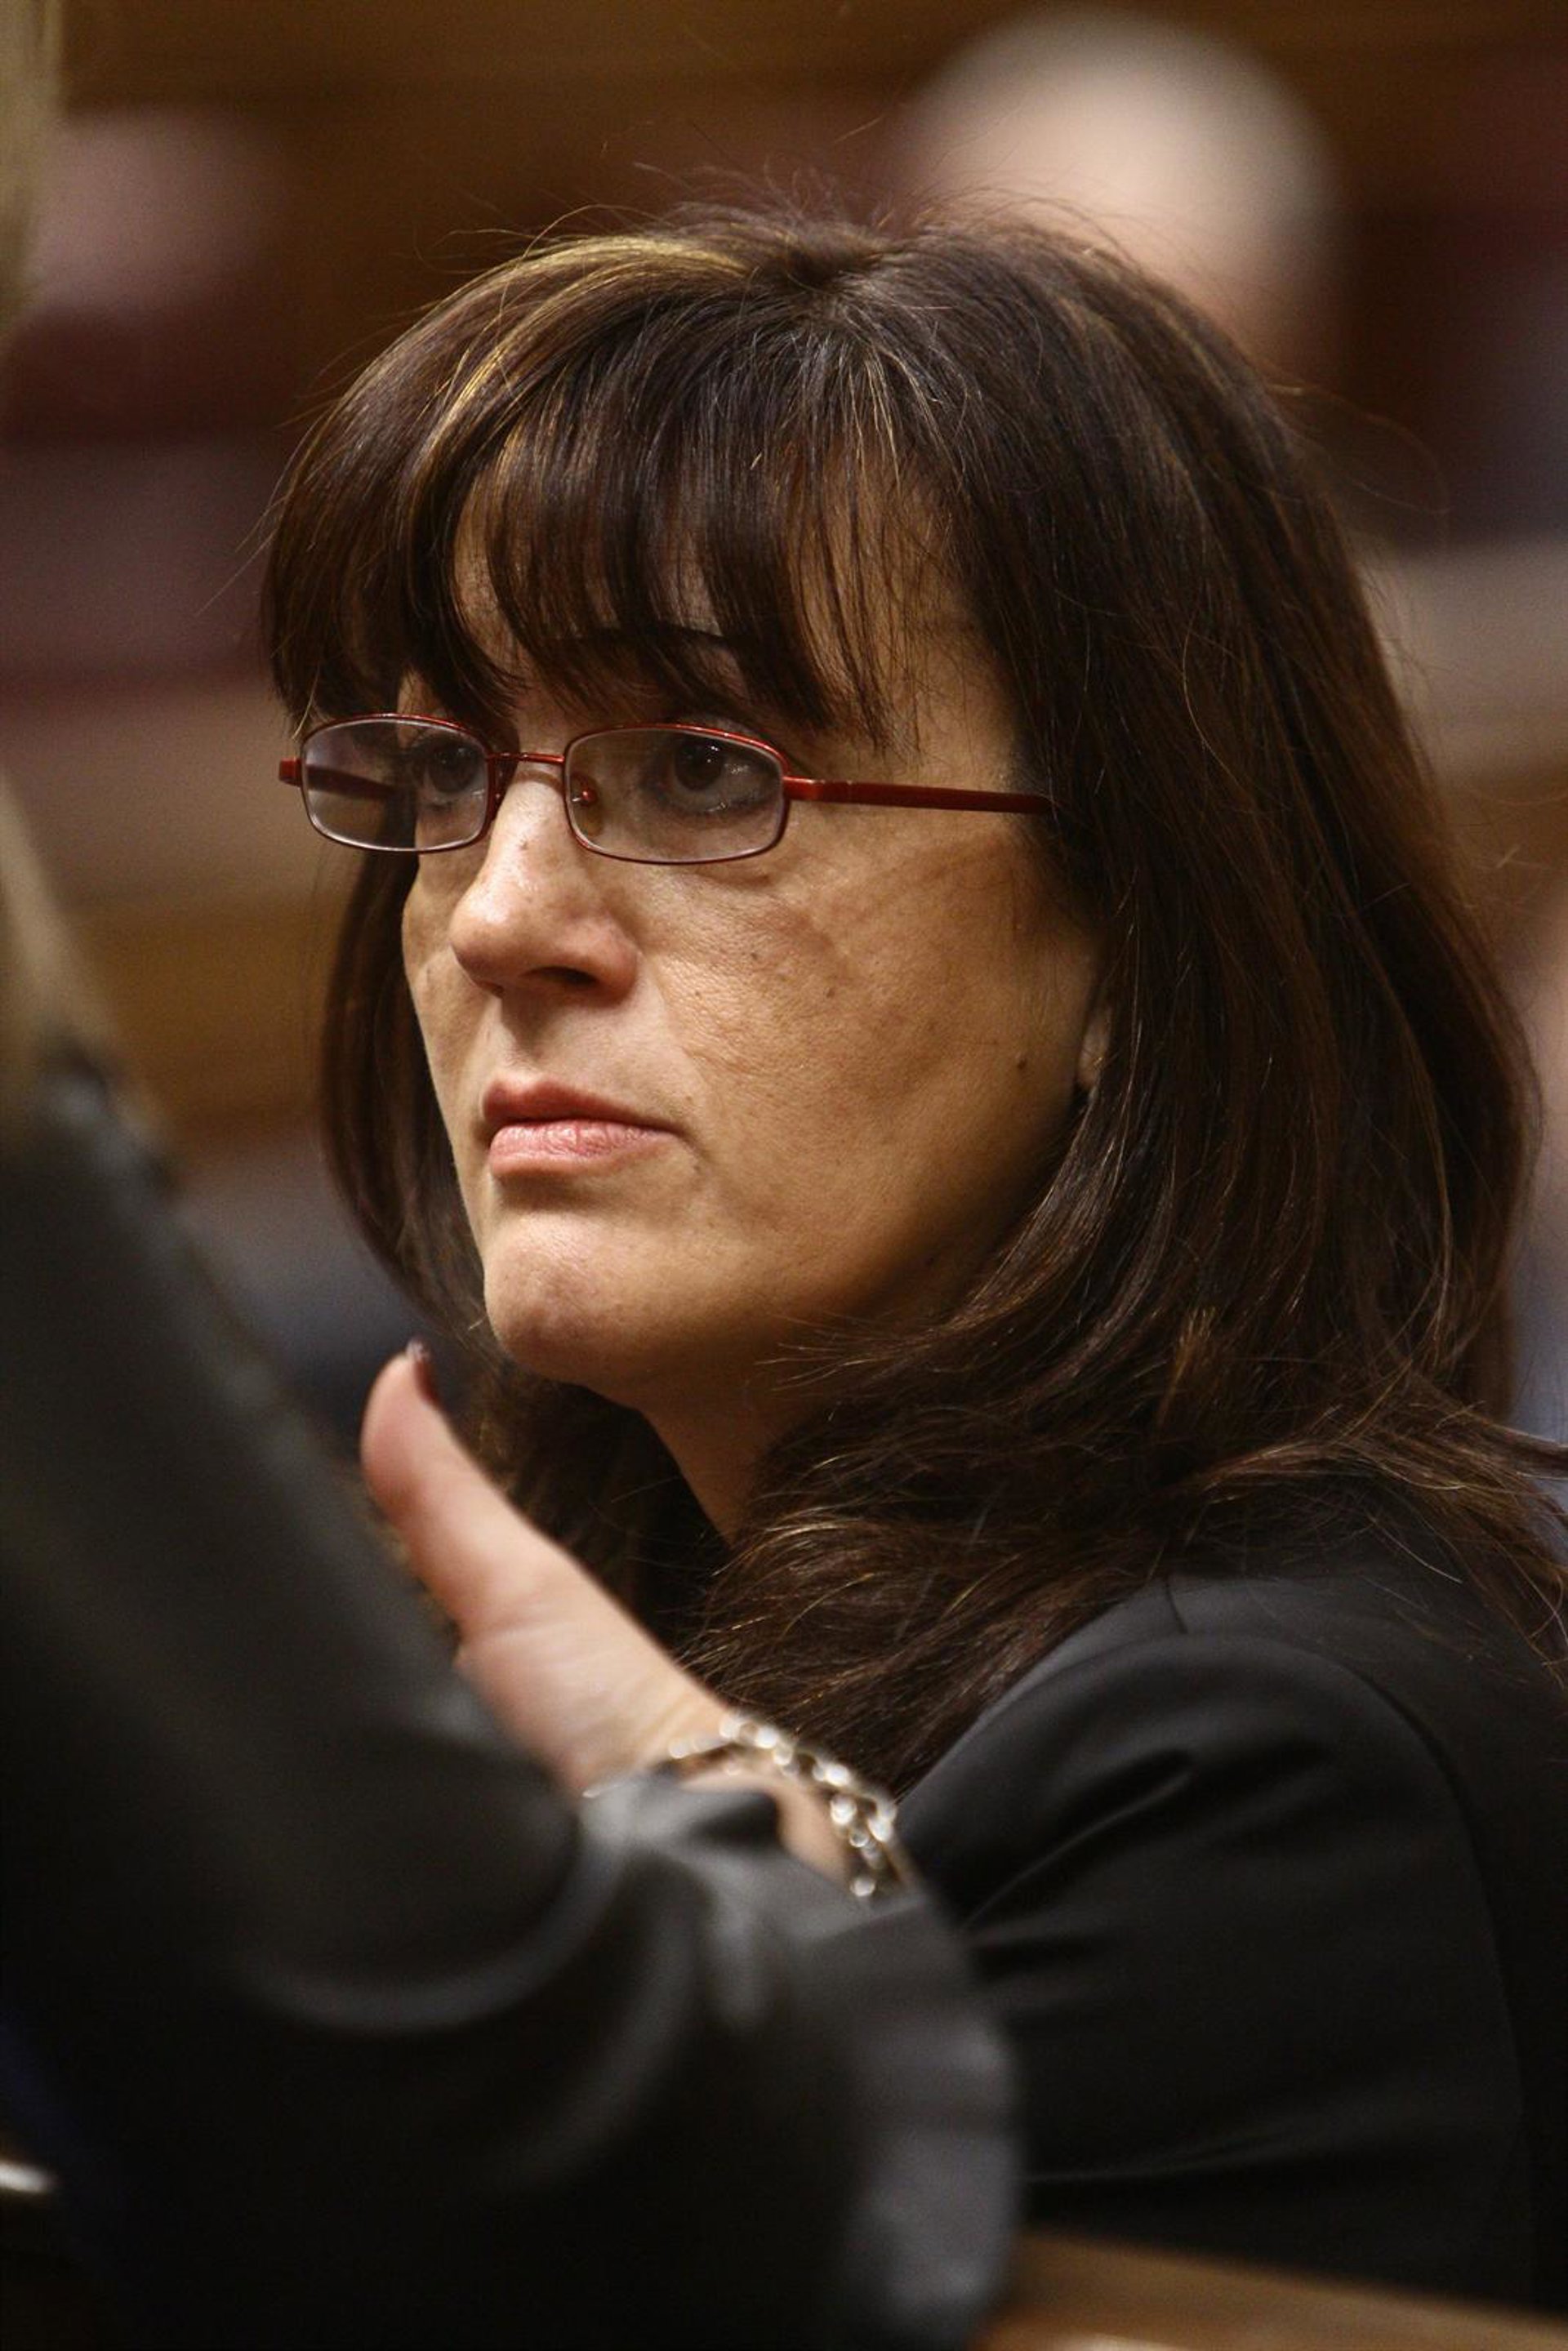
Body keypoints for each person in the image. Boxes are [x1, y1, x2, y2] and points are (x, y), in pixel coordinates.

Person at [260, 201, 1568, 2312]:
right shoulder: (608, 1622)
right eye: (445, 772)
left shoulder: (1260, 1770)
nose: (497, 918)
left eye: (704, 774)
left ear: (1141, 927)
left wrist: (772, 1894)